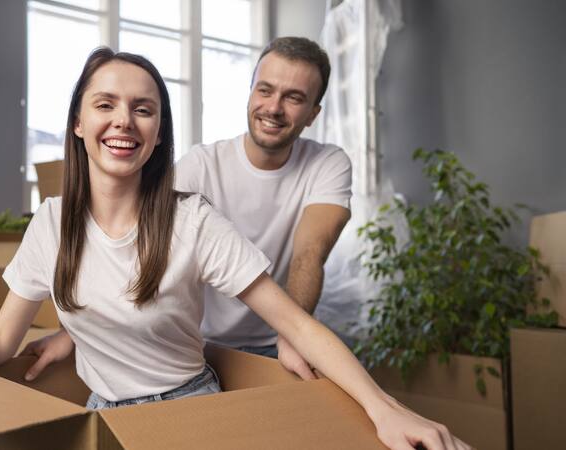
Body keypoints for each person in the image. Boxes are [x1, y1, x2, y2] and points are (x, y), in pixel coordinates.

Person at [0, 47, 468, 450]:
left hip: (193, 412)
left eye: (143, 110)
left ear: (158, 136)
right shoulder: (51, 224)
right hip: (106, 416)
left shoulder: (193, 220)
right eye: (105, 105)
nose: (123, 120)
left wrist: (388, 411)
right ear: (79, 123)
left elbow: (295, 321)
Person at [24, 36, 350, 382]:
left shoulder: (327, 163)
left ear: (313, 114)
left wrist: (292, 334)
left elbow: (310, 252)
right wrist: (75, 332)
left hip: (280, 340)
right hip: (201, 345)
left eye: (294, 98)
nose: (273, 107)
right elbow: (131, 245)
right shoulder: (201, 166)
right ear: (250, 91)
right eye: (265, 90)